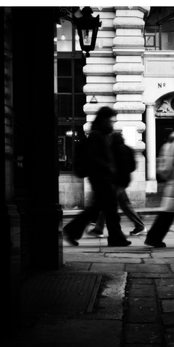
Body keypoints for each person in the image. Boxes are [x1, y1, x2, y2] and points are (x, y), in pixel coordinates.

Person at [63, 106, 131, 247]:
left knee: (98, 208)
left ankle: (72, 230)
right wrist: (110, 169)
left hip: (101, 177)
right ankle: (115, 238)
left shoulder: (100, 134)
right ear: (105, 120)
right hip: (101, 178)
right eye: (111, 121)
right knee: (110, 209)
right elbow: (96, 158)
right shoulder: (97, 135)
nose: (113, 124)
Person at [87, 132, 146, 238]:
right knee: (115, 205)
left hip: (114, 182)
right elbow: (133, 166)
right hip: (122, 181)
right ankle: (99, 229)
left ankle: (99, 229)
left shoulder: (111, 149)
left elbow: (109, 166)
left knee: (113, 205)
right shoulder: (128, 149)